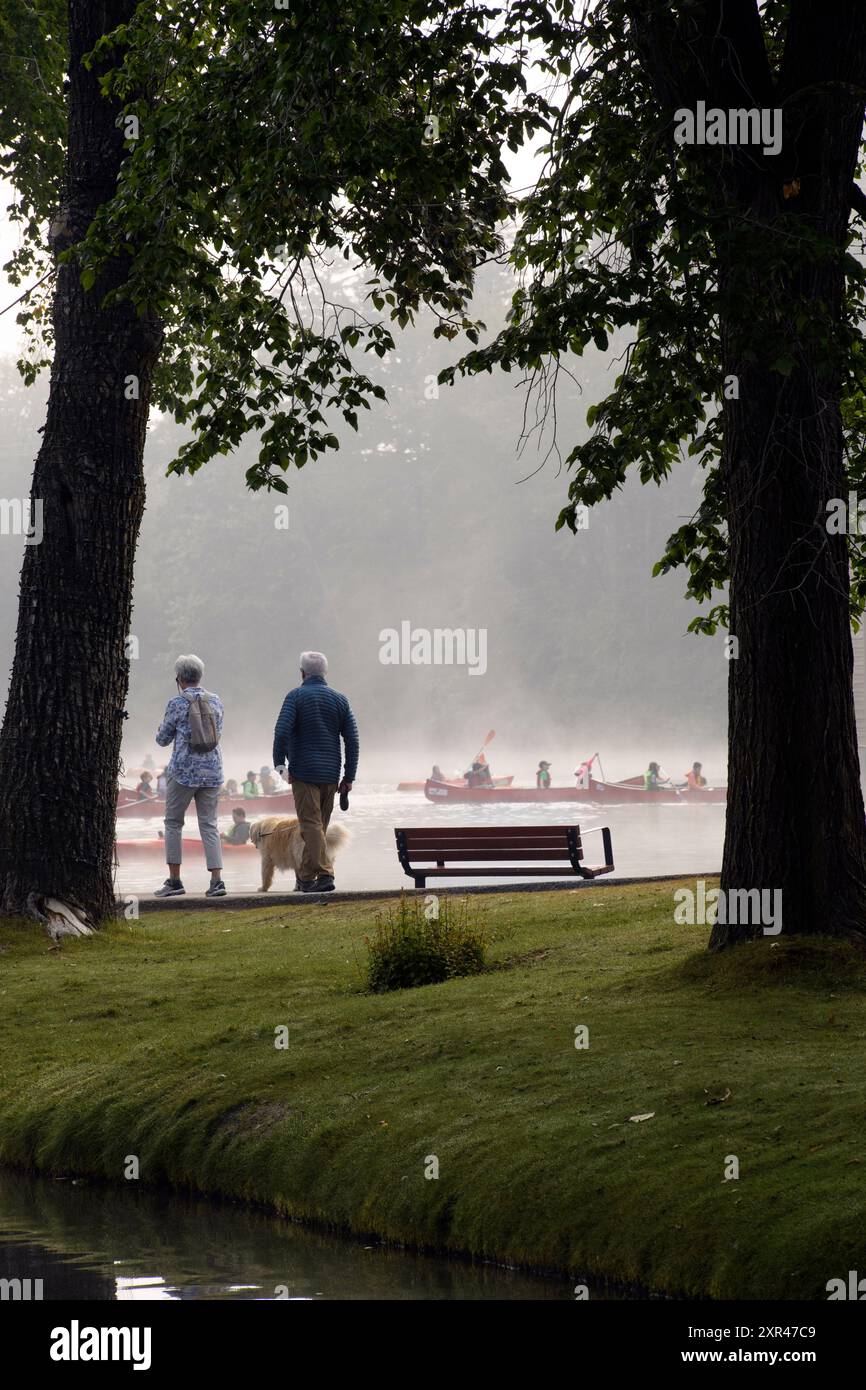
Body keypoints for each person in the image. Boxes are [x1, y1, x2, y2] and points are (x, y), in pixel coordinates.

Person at [273, 651, 359, 892]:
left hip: (303, 773)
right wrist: (349, 776)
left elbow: (280, 732)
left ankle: (325, 874)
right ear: (325, 673)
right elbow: (352, 739)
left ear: (302, 673)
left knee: (310, 826)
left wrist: (280, 766)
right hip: (331, 775)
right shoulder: (340, 700)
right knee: (317, 828)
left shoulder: (295, 697)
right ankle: (305, 878)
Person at [153, 654, 226, 898]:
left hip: (183, 772)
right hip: (213, 771)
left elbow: (162, 739)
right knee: (209, 824)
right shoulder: (216, 701)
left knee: (173, 823)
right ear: (199, 676)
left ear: (180, 678)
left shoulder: (177, 703)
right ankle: (217, 882)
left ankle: (175, 881)